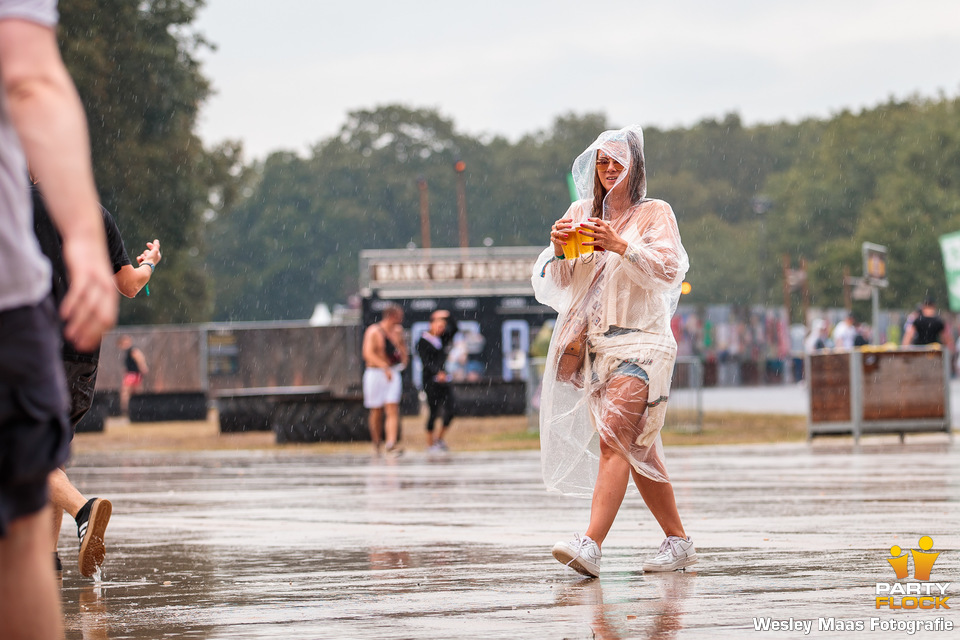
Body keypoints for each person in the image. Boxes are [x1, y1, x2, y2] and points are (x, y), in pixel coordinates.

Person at [0, 2, 118, 637]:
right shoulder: (74, 207)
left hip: (35, 325)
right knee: (19, 522)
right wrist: (84, 238)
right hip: (24, 316)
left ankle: (68, 521)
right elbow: (33, 77)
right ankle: (79, 510)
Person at [532, 125, 694, 578]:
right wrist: (561, 251)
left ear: (634, 167)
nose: (607, 169)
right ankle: (678, 541)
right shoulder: (581, 211)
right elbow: (559, 286)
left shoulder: (654, 213)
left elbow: (668, 270)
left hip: (642, 344)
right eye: (601, 161)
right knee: (638, 447)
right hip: (597, 348)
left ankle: (591, 544)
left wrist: (621, 244)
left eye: (617, 161)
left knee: (613, 439)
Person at [33, 179, 161, 577]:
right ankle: (46, 561)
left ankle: (84, 510)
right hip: (83, 352)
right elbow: (129, 286)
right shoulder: (96, 213)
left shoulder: (17, 206)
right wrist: (150, 263)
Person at [361, 304, 407, 455]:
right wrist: (383, 367)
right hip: (375, 372)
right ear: (392, 316)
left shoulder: (398, 332)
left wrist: (403, 357)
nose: (402, 319)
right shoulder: (374, 331)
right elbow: (368, 354)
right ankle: (376, 442)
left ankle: (391, 443)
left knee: (392, 408)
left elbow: (402, 352)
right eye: (399, 315)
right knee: (376, 410)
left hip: (392, 372)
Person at [417, 309, 458, 452]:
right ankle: (429, 443)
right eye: (438, 325)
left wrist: (446, 314)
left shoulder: (442, 339)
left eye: (443, 326)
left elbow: (455, 328)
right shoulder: (423, 341)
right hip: (430, 380)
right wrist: (437, 372)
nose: (441, 329)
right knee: (433, 411)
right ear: (431, 325)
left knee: (451, 409)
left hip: (444, 380)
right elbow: (426, 362)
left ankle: (439, 439)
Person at [118, 334, 150, 418]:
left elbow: (139, 357)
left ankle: (125, 410)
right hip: (135, 374)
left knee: (125, 392)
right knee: (135, 392)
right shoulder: (129, 350)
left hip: (132, 374)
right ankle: (137, 410)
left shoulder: (132, 350)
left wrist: (143, 367)